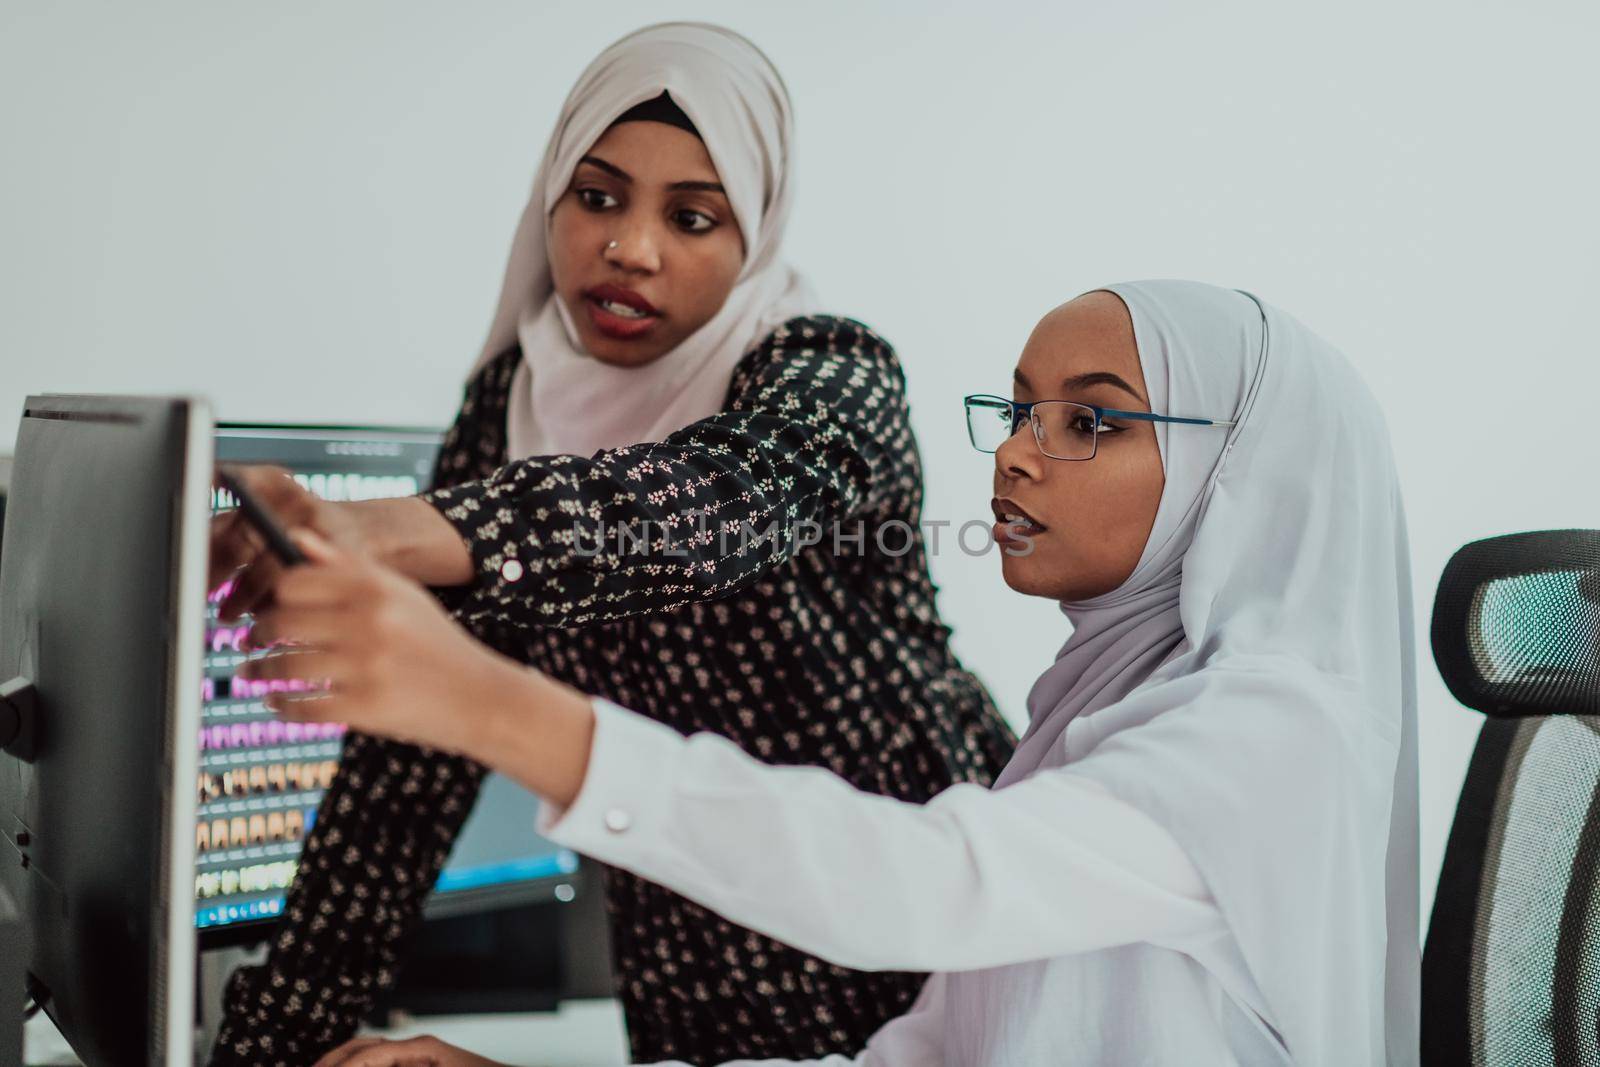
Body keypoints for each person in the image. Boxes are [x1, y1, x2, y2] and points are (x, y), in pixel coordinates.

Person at [240, 281, 1421, 1066]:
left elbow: (925, 882)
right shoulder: (1097, 708)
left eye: (1091, 423)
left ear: (1239, 476)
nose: (1015, 451)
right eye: (1017, 410)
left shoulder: (1274, 731)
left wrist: (490, 703)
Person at [206, 21, 1016, 1066]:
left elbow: (711, 503)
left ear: (754, 233)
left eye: (691, 215)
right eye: (597, 196)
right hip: (688, 963)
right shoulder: (511, 403)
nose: (630, 247)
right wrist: (270, 1043)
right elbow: (402, 778)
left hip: (922, 933)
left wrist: (411, 528)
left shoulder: (828, 375)